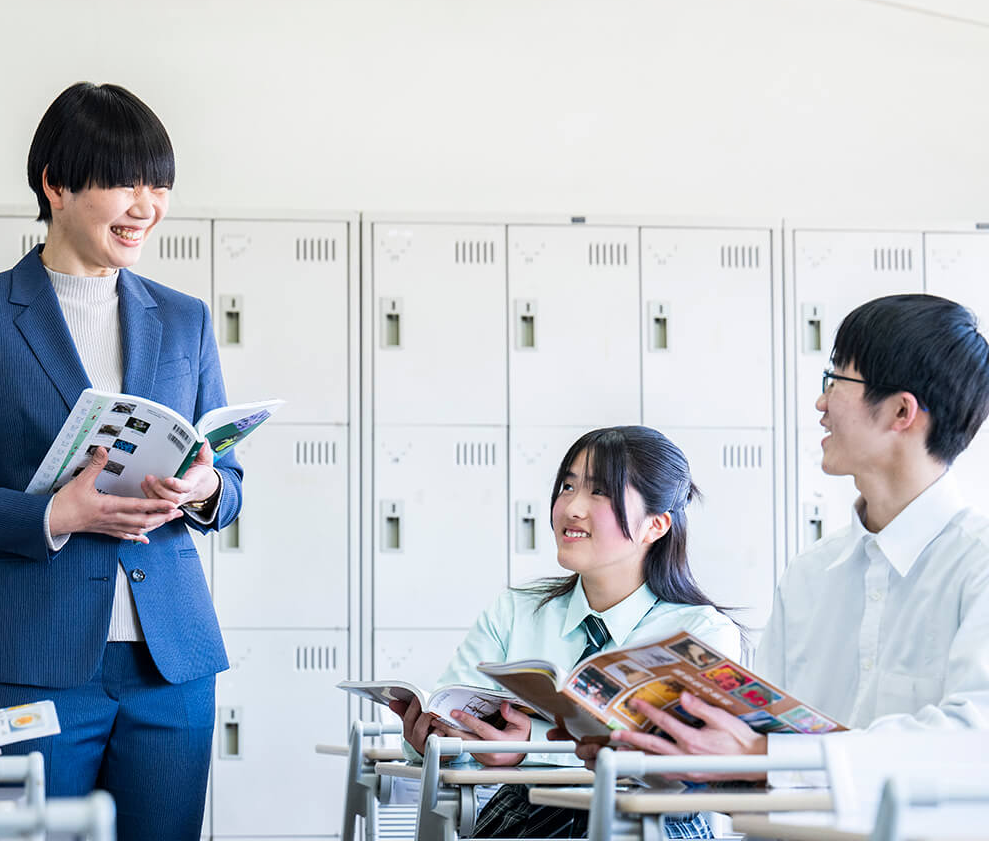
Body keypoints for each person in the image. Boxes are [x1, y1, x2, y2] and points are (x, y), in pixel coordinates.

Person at [0, 83, 242, 841]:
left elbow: (229, 478)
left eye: (161, 186)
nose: (146, 206)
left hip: (171, 660)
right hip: (30, 653)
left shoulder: (183, 318)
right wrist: (56, 512)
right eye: (126, 183)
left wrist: (208, 484)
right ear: (56, 183)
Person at [596, 294, 989, 776]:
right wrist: (659, 748)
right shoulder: (810, 575)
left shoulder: (977, 565)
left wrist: (763, 758)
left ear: (901, 412)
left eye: (836, 379)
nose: (821, 403)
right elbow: (753, 750)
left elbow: (972, 742)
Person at [390, 425, 743, 838]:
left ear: (656, 525)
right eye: (568, 486)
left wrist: (526, 750)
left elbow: (680, 771)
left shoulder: (698, 633)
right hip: (527, 816)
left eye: (600, 492)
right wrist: (434, 743)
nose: (571, 507)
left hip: (645, 825)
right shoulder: (517, 611)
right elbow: (450, 725)